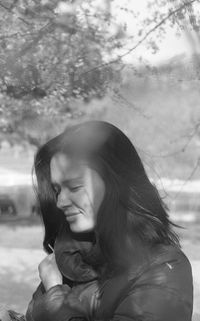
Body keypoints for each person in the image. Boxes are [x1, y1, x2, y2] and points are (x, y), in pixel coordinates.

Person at [4, 120, 193, 321]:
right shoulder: (70, 257)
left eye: (75, 187)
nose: (60, 201)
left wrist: (55, 296)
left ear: (117, 184)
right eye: (57, 190)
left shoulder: (163, 268)